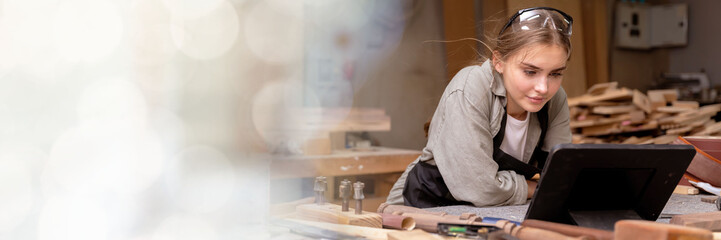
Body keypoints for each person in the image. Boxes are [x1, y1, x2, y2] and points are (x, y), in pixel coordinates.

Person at [386, 7, 574, 207]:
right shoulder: (471, 87)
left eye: (555, 74)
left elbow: (561, 176)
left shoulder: (555, 99)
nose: (543, 88)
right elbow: (480, 188)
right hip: (418, 208)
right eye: (530, 71)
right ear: (498, 62)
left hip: (489, 211)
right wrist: (532, 187)